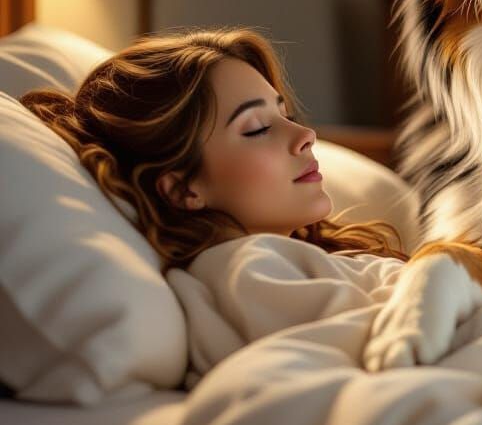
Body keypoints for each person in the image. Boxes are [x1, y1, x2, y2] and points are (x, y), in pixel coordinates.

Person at [21, 28, 407, 269]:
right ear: (183, 189)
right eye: (256, 129)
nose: (304, 134)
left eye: (284, 113)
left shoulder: (327, 265)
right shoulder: (249, 277)